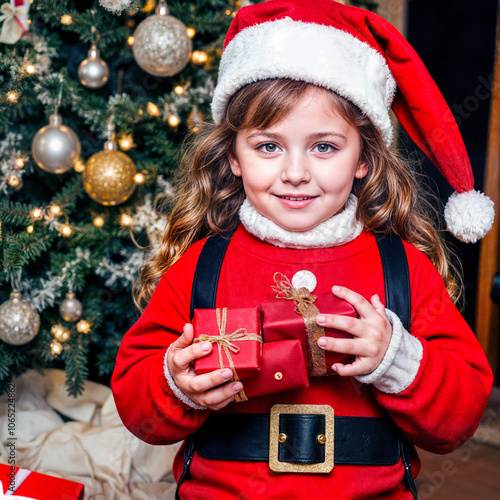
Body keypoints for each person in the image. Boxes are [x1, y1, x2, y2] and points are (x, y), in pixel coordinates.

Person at [111, 1, 494, 498]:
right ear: (233, 157)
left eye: (324, 147)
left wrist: (400, 360)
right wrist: (175, 384)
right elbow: (138, 406)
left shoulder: (403, 269)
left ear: (363, 157)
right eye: (269, 146)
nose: (295, 172)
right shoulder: (202, 266)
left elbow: (459, 420)